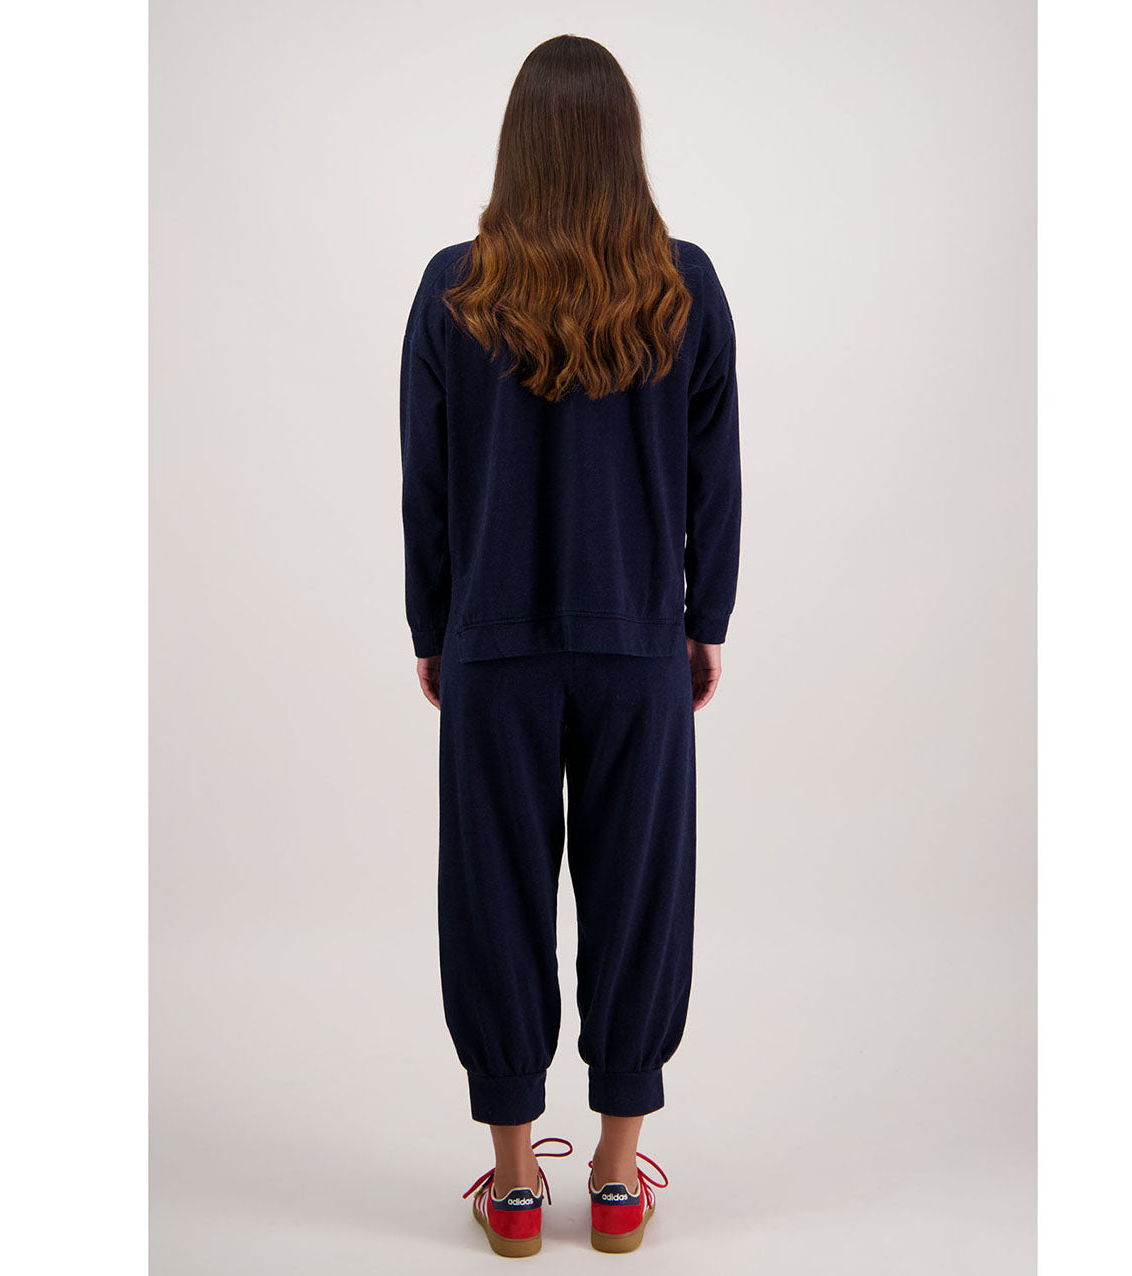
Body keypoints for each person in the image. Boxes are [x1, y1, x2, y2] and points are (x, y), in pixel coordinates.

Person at [399, 33, 741, 1257]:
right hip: (637, 641)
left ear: (518, 146)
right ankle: (613, 1173)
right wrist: (703, 620)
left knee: (491, 894)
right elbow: (714, 471)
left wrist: (433, 626)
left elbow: (427, 484)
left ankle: (509, 1183)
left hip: (492, 645)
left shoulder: (452, 288)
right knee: (638, 897)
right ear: (622, 143)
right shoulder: (681, 285)